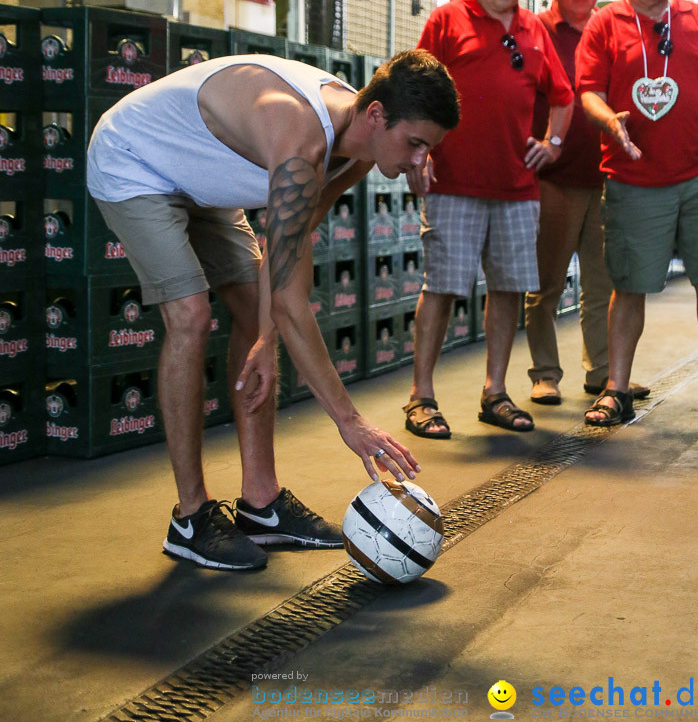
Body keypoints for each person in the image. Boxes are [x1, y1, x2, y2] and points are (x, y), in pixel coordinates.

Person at [87, 49, 460, 568]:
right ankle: (190, 518)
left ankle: (260, 505)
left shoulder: (358, 150)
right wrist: (349, 421)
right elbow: (288, 301)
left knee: (253, 312)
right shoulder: (300, 137)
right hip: (135, 161)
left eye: (429, 148)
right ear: (376, 115)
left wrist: (264, 336)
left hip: (201, 182)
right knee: (192, 315)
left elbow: (294, 243)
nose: (421, 159)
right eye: (415, 143)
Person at [401, 0, 574, 439]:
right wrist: (418, 153)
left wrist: (553, 144)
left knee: (506, 289)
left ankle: (494, 391)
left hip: (518, 188)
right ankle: (421, 397)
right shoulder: (447, 19)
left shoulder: (535, 30)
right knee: (443, 288)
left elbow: (562, 96)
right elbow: (413, 89)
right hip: (453, 181)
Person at [576, 0, 698, 426]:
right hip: (634, 180)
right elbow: (588, 89)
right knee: (628, 286)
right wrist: (606, 119)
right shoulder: (604, 24)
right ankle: (616, 390)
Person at [524, 0, 650, 405]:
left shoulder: (610, 28)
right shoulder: (536, 29)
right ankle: (545, 374)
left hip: (603, 179)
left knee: (603, 284)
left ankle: (602, 371)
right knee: (546, 284)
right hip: (554, 179)